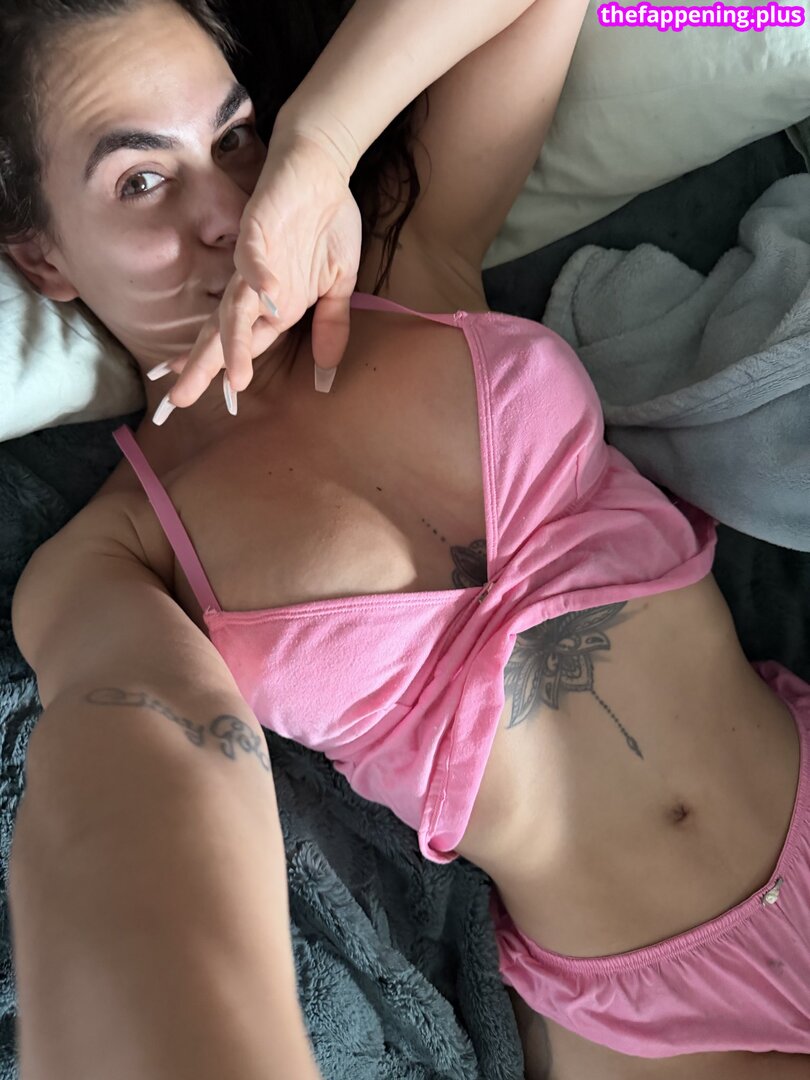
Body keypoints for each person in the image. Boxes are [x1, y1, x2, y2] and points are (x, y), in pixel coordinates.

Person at [3, 1, 809, 1078]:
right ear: (43, 258)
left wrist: (321, 144)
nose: (226, 211)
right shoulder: (119, 553)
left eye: (234, 138)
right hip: (652, 1024)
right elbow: (133, 777)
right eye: (142, 180)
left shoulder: (405, 259)